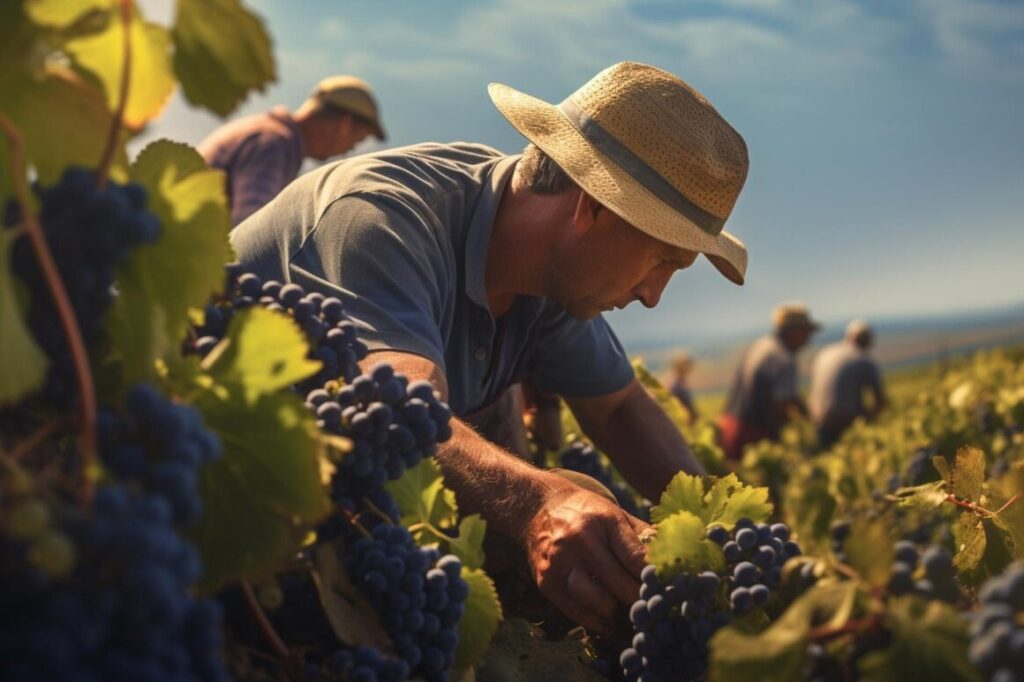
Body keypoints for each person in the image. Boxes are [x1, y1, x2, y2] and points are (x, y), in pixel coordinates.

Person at [230, 62, 752, 634]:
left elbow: (620, 408)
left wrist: (720, 536)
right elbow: (404, 419)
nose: (654, 296)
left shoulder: (546, 265)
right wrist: (538, 503)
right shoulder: (380, 220)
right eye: (661, 261)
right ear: (594, 206)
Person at [199, 76, 386, 225]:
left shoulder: (269, 133)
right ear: (344, 125)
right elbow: (249, 227)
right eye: (357, 140)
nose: (349, 151)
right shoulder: (274, 144)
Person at [718, 303, 819, 461]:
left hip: (729, 424)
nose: (808, 340)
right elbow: (783, 403)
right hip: (752, 435)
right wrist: (807, 424)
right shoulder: (783, 357)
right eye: (806, 333)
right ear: (793, 331)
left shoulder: (762, 345)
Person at [808, 319, 887, 448]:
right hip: (844, 424)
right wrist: (871, 422)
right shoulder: (864, 360)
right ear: (867, 340)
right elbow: (880, 400)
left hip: (816, 420)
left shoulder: (825, 353)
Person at [666, 351, 699, 423]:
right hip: (681, 424)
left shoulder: (681, 383)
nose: (688, 368)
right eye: (685, 365)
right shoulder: (675, 385)